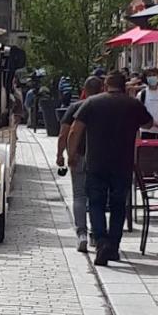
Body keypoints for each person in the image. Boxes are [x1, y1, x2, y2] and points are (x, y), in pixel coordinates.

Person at [68, 72, 152, 267]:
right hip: (122, 163)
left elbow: (75, 130)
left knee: (95, 204)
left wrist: (72, 155)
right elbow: (148, 122)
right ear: (124, 86)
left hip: (96, 163)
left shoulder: (92, 103)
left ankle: (101, 241)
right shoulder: (132, 105)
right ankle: (113, 246)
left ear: (106, 85)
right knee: (118, 205)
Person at [57, 75, 104, 252]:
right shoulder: (103, 108)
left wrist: (61, 154)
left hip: (78, 156)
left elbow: (64, 133)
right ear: (102, 89)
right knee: (96, 197)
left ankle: (81, 234)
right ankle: (95, 234)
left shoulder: (75, 107)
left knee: (78, 196)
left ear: (84, 90)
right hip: (99, 158)